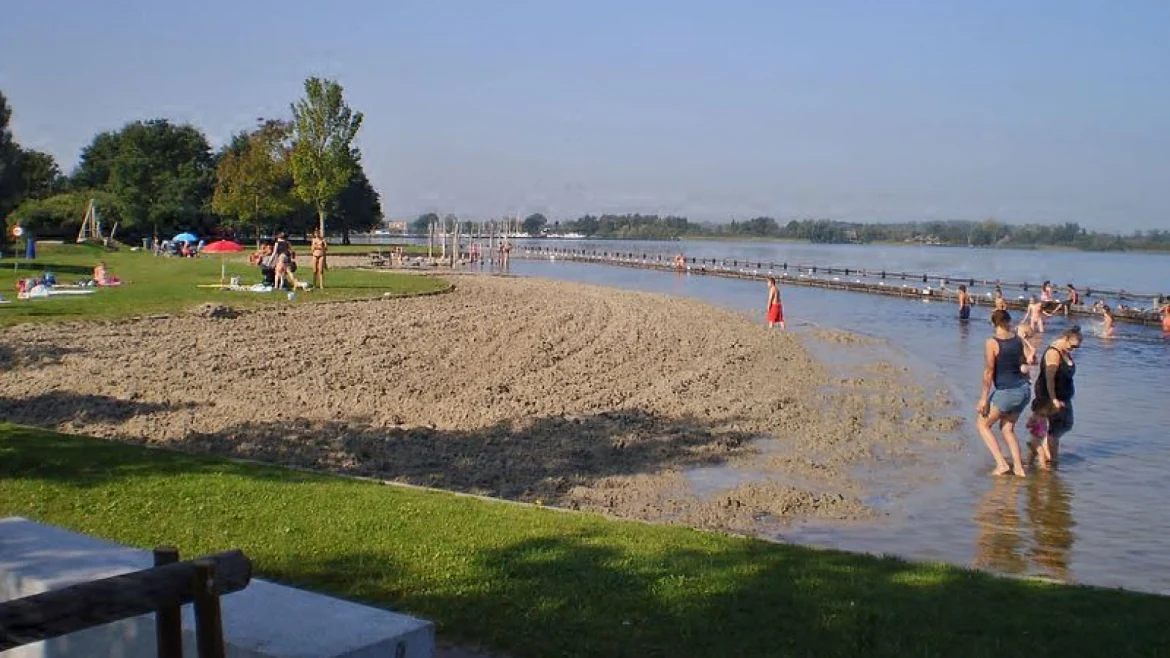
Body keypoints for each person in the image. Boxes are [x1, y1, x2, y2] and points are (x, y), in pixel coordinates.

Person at [976, 309, 1032, 477]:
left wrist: (984, 398)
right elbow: (1026, 363)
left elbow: (989, 371)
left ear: (993, 324)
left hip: (1007, 391)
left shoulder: (992, 342)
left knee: (982, 424)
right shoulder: (1017, 340)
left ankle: (1001, 464)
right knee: (1007, 428)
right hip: (1024, 391)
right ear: (1009, 321)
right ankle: (1018, 468)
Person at [1033, 325, 1082, 468]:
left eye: (1077, 347)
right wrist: (1054, 399)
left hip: (1063, 396)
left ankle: (1047, 453)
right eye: (1072, 346)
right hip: (1049, 396)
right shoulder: (1054, 353)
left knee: (1065, 425)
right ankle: (1052, 462)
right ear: (1065, 339)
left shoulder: (1065, 351)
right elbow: (1049, 378)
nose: (1074, 349)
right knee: (1056, 428)